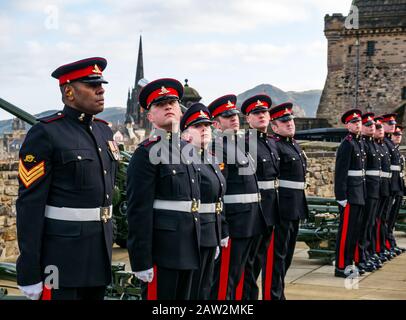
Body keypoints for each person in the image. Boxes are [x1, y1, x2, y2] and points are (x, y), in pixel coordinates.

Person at [16, 57, 117, 300]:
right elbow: (29, 205)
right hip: (60, 259)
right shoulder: (46, 133)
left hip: (99, 252)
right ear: (69, 92)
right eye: (92, 85)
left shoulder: (104, 131)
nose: (101, 89)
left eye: (101, 84)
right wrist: (29, 269)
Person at [126, 78, 201, 300]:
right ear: (150, 116)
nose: (168, 106)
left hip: (189, 246)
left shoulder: (188, 149)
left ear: (180, 110)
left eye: (172, 102)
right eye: (160, 104)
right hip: (162, 252)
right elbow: (138, 211)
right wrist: (141, 261)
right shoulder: (145, 153)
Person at [208, 94, 266, 300]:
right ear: (216, 123)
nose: (234, 118)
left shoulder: (239, 145)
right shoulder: (217, 147)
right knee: (225, 281)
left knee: (244, 276)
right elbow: (218, 192)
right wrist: (222, 228)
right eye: (227, 116)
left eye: (234, 114)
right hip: (234, 222)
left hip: (250, 221)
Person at [180, 103, 226, 300]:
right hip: (191, 235)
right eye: (198, 126)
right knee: (191, 291)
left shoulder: (211, 159)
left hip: (211, 232)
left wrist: (220, 232)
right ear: (185, 134)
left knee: (205, 290)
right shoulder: (183, 159)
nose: (205, 129)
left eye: (207, 126)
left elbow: (218, 199)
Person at [240, 94, 279, 300]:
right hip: (254, 211)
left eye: (264, 112)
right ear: (248, 119)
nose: (262, 115)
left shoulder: (272, 143)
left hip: (271, 210)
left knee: (260, 260)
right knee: (249, 265)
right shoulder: (244, 143)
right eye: (256, 113)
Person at [268, 103, 308, 298]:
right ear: (274, 127)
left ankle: (279, 292)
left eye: (290, 119)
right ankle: (274, 295)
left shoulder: (294, 145)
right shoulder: (275, 145)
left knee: (287, 256)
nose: (289, 123)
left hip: (296, 207)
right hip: (282, 209)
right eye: (284, 121)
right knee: (277, 257)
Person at [334, 109, 367, 278]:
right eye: (354, 122)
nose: (357, 124)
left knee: (354, 232)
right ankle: (341, 265)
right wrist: (341, 197)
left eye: (359, 122)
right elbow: (340, 173)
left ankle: (350, 262)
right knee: (346, 233)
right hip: (349, 196)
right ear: (347, 125)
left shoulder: (359, 142)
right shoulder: (347, 143)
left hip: (359, 193)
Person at [357, 113, 380, 272]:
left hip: (374, 188)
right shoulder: (362, 144)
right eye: (369, 125)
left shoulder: (373, 144)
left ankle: (367, 253)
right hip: (365, 190)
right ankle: (362, 255)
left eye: (374, 125)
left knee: (370, 224)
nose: (373, 127)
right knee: (363, 225)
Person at [373, 117, 393, 263]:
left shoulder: (383, 145)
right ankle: (369, 252)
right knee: (371, 223)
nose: (378, 129)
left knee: (381, 220)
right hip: (371, 190)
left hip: (384, 187)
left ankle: (378, 249)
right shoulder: (354, 145)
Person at [386, 124, 406, 254]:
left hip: (398, 187)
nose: (399, 136)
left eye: (400, 134)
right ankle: (387, 244)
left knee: (392, 219)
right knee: (387, 219)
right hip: (390, 188)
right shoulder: (388, 149)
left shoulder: (397, 151)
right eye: (396, 134)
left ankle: (390, 242)